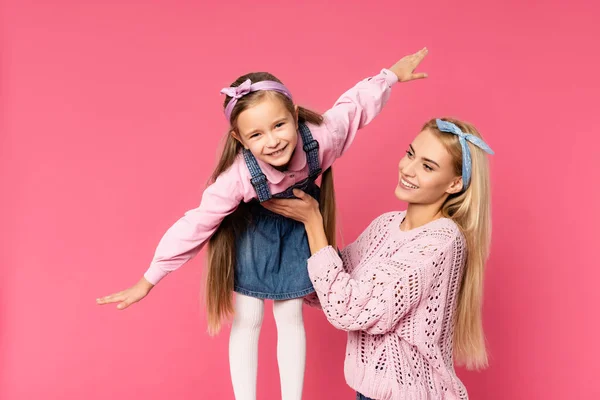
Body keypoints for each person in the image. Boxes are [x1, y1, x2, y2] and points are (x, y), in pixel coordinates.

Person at [96, 48, 429, 400]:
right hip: (254, 235)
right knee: (249, 318)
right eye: (256, 135)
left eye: (279, 125)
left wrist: (389, 76)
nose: (272, 141)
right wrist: (150, 278)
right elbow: (196, 223)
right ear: (240, 140)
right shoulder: (238, 177)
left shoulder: (321, 137)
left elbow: (354, 109)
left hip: (298, 229)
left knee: (290, 316)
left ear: (295, 116)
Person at [263, 117, 494, 399]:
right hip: (369, 393)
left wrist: (313, 221)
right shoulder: (386, 225)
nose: (407, 169)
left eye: (427, 166)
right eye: (410, 153)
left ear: (455, 184)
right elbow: (328, 287)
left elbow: (347, 309)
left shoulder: (440, 241)